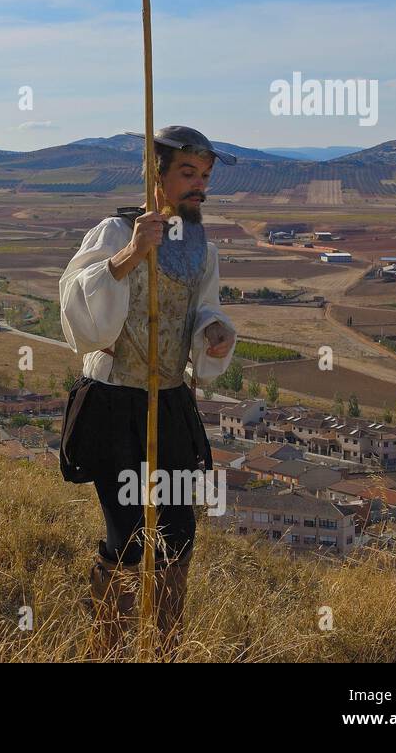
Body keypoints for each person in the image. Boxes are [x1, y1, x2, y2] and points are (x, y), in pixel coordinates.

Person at [58, 125, 238, 652]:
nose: (198, 185)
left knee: (178, 532)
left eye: (204, 176)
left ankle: (162, 647)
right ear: (154, 174)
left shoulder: (203, 246)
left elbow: (204, 307)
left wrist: (215, 331)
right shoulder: (115, 231)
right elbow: (74, 299)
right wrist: (131, 253)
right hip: (115, 405)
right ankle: (109, 646)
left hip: (170, 400)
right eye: (187, 173)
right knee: (128, 535)